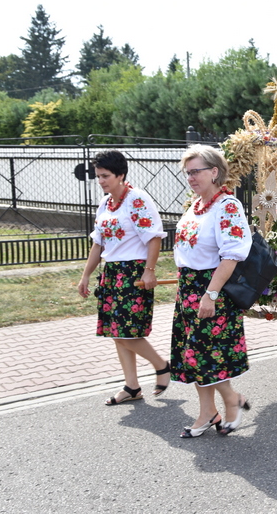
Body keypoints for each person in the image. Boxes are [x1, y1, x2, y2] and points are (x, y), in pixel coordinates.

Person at [170, 144, 253, 437]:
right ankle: (209, 411)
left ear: (214, 172)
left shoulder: (227, 206)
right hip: (189, 288)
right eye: (187, 172)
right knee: (193, 355)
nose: (190, 177)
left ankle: (230, 401)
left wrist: (211, 294)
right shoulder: (195, 205)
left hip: (211, 288)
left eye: (196, 171)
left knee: (207, 355)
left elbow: (231, 255)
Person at [77, 150, 171, 405]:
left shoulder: (136, 199)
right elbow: (99, 243)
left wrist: (149, 270)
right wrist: (86, 275)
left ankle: (161, 365)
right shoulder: (105, 203)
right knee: (115, 331)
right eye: (98, 176)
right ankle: (132, 386)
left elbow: (153, 237)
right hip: (112, 272)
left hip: (133, 272)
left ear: (121, 175)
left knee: (126, 333)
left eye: (106, 176)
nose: (101, 181)